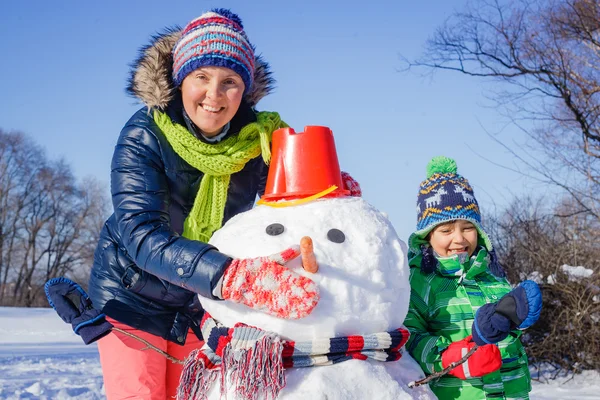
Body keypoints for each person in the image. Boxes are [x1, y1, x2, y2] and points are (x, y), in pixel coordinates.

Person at [87, 9, 339, 399]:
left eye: (230, 82)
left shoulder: (259, 139)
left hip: (198, 303)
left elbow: (293, 202)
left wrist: (329, 191)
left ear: (247, 88)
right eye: (201, 77)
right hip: (131, 294)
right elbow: (141, 235)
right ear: (180, 79)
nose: (214, 95)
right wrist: (232, 277)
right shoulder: (145, 134)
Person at [403, 156, 534, 399]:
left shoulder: (492, 275)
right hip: (460, 393)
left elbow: (506, 335)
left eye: (468, 227)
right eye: (446, 230)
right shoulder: (421, 281)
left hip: (511, 393)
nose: (459, 238)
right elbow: (411, 337)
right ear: (427, 236)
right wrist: (450, 357)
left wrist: (518, 320)